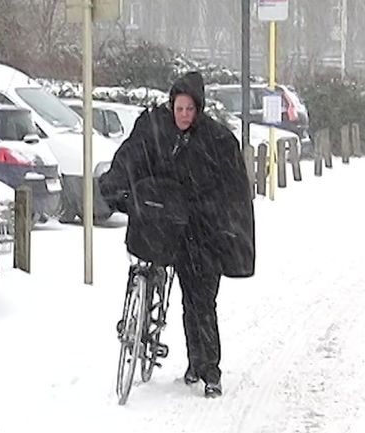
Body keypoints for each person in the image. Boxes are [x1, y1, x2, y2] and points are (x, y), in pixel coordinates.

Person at [98, 71, 256, 398]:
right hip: (166, 225)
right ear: (171, 106)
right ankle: (188, 358)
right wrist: (115, 186)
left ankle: (209, 370)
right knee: (183, 294)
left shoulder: (216, 141)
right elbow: (131, 156)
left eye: (189, 109)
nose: (183, 115)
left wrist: (228, 229)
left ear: (199, 109)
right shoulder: (155, 129)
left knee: (202, 301)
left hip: (204, 233)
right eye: (179, 108)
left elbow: (234, 191)